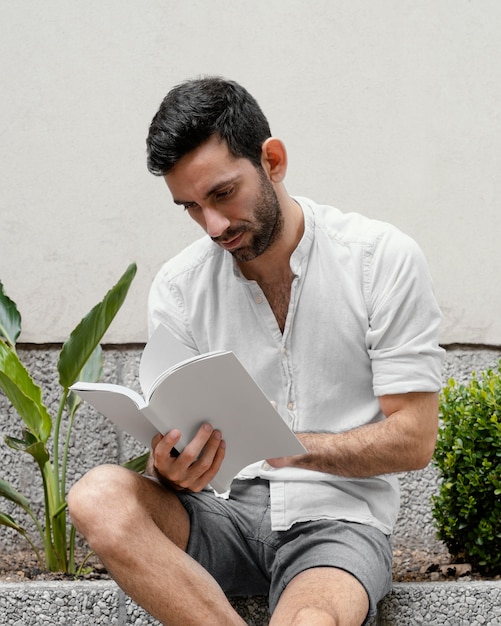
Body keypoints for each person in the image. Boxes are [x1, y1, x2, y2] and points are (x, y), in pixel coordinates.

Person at [68, 76, 444, 626]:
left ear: (272, 160)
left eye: (222, 194)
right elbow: (171, 463)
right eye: (191, 207)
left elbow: (414, 439)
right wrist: (174, 468)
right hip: (216, 516)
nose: (213, 225)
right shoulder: (179, 286)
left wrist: (289, 448)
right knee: (96, 495)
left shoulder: (380, 259)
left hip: (336, 524)